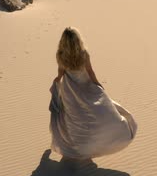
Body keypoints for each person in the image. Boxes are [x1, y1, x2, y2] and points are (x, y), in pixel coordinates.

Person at [49, 27, 137, 162]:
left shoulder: (60, 55)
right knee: (95, 112)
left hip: (70, 91)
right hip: (86, 87)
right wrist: (98, 85)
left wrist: (55, 85)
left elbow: (60, 75)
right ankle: (92, 143)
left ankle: (79, 144)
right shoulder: (84, 54)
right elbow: (90, 73)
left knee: (74, 117)